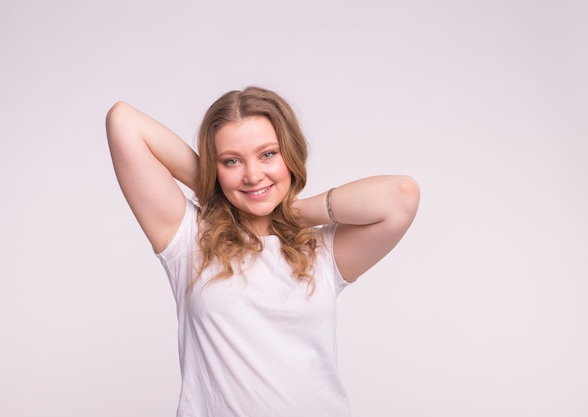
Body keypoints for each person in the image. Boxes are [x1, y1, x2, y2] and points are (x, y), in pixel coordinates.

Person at [106, 86, 420, 417]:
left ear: (290, 154)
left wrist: (290, 213)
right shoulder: (189, 239)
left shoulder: (322, 250)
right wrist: (216, 189)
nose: (253, 175)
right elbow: (123, 122)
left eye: (268, 154)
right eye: (231, 161)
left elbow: (401, 196)